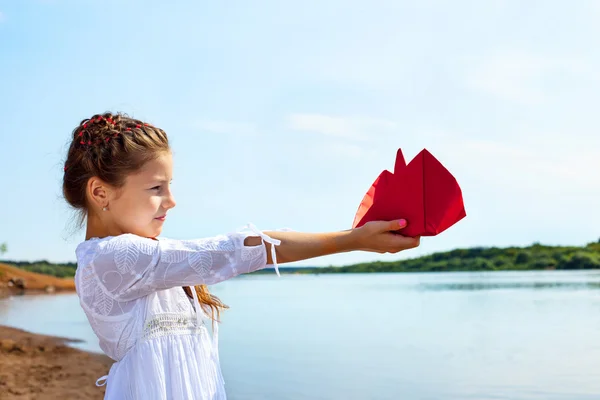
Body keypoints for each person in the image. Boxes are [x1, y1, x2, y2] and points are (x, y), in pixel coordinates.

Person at [62, 112, 421, 400]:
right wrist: (353, 239)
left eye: (170, 186)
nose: (171, 201)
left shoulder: (148, 264)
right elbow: (230, 251)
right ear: (100, 192)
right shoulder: (109, 259)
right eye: (157, 188)